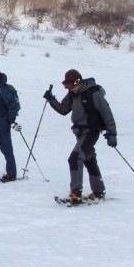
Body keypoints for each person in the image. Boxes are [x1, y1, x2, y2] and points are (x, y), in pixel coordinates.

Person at [43, 69, 117, 204]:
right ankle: (99, 191)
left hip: (91, 131)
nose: (68, 89)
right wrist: (51, 99)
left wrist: (112, 133)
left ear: (77, 82)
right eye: (66, 86)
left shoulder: (93, 93)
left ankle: (75, 193)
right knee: (89, 159)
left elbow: (107, 113)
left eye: (69, 85)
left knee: (75, 158)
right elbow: (63, 110)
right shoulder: (72, 94)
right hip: (79, 132)